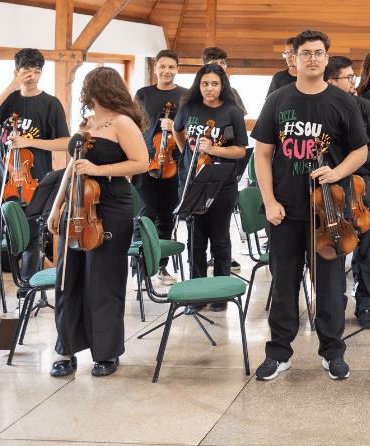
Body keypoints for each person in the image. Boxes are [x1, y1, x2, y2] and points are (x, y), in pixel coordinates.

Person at [251, 30, 368, 382]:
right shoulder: (277, 100)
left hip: (329, 213)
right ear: (295, 58)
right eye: (306, 53)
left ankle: (332, 352)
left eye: (319, 53)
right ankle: (279, 353)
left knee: (331, 287)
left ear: (327, 58)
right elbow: (263, 153)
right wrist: (268, 200)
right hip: (284, 211)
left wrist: (336, 172)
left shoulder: (344, 101)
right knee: (283, 284)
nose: (313, 58)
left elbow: (360, 150)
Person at [47, 67, 148, 378]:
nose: (84, 94)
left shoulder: (121, 122)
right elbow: (72, 167)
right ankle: (65, 349)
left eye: (88, 87)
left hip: (112, 206)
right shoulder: (86, 123)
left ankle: (106, 353)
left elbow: (141, 162)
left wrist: (98, 169)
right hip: (76, 205)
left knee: (104, 280)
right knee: (67, 278)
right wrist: (57, 204)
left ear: (102, 89)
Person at [0, 48, 70, 325]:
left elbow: (65, 142)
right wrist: (11, 85)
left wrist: (29, 142)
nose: (32, 76)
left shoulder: (51, 104)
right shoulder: (9, 99)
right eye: (26, 71)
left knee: (33, 240)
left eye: (36, 71)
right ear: (17, 71)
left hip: (34, 181)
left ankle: (26, 295)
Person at [173, 63, 248, 309]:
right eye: (205, 83)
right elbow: (177, 131)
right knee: (196, 239)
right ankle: (197, 295)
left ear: (222, 85)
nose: (209, 88)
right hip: (192, 182)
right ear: (199, 85)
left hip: (222, 184)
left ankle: (220, 293)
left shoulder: (232, 112)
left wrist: (212, 149)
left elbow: (239, 150)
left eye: (215, 83)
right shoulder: (188, 108)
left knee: (220, 239)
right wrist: (187, 154)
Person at [325, 55, 370, 328]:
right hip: (327, 186)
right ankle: (334, 305)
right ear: (331, 81)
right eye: (348, 77)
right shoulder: (320, 108)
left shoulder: (363, 106)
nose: (354, 81)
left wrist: (355, 160)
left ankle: (365, 305)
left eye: (353, 76)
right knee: (334, 248)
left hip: (362, 185)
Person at [132, 50, 187, 285]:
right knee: (145, 215)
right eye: (162, 67)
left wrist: (174, 125)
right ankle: (140, 270)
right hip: (146, 161)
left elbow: (189, 125)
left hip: (174, 163)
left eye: (171, 67)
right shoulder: (143, 94)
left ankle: (161, 267)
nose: (166, 71)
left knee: (167, 217)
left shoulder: (185, 95)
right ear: (155, 68)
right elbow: (132, 125)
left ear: (177, 69)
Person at [202, 47, 246, 113]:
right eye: (214, 63)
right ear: (205, 67)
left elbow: (239, 118)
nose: (220, 67)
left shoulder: (233, 92)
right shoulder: (197, 92)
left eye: (222, 63)